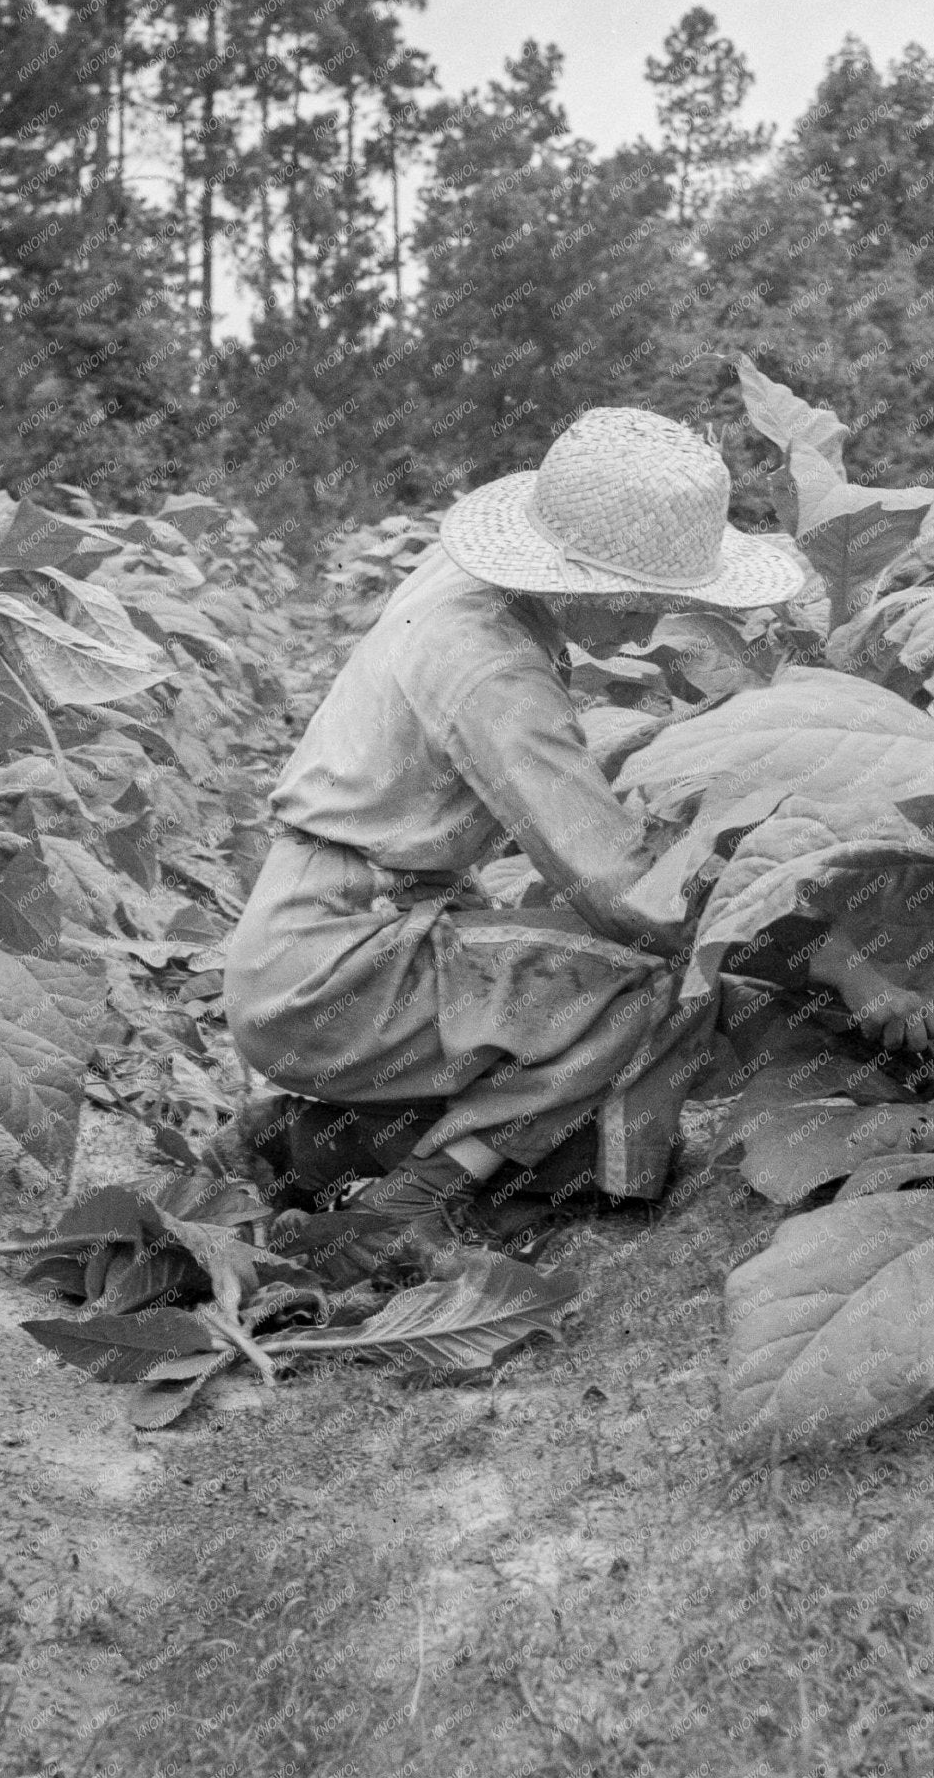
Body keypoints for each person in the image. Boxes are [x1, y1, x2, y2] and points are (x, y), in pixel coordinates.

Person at [223, 406, 808, 1239]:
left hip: (313, 936)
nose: (651, 625)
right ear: (571, 576)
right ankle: (411, 1207)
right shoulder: (495, 670)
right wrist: (819, 940)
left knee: (586, 1131)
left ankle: (307, 1146)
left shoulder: (464, 587)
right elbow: (631, 900)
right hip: (337, 971)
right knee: (656, 987)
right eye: (639, 601)